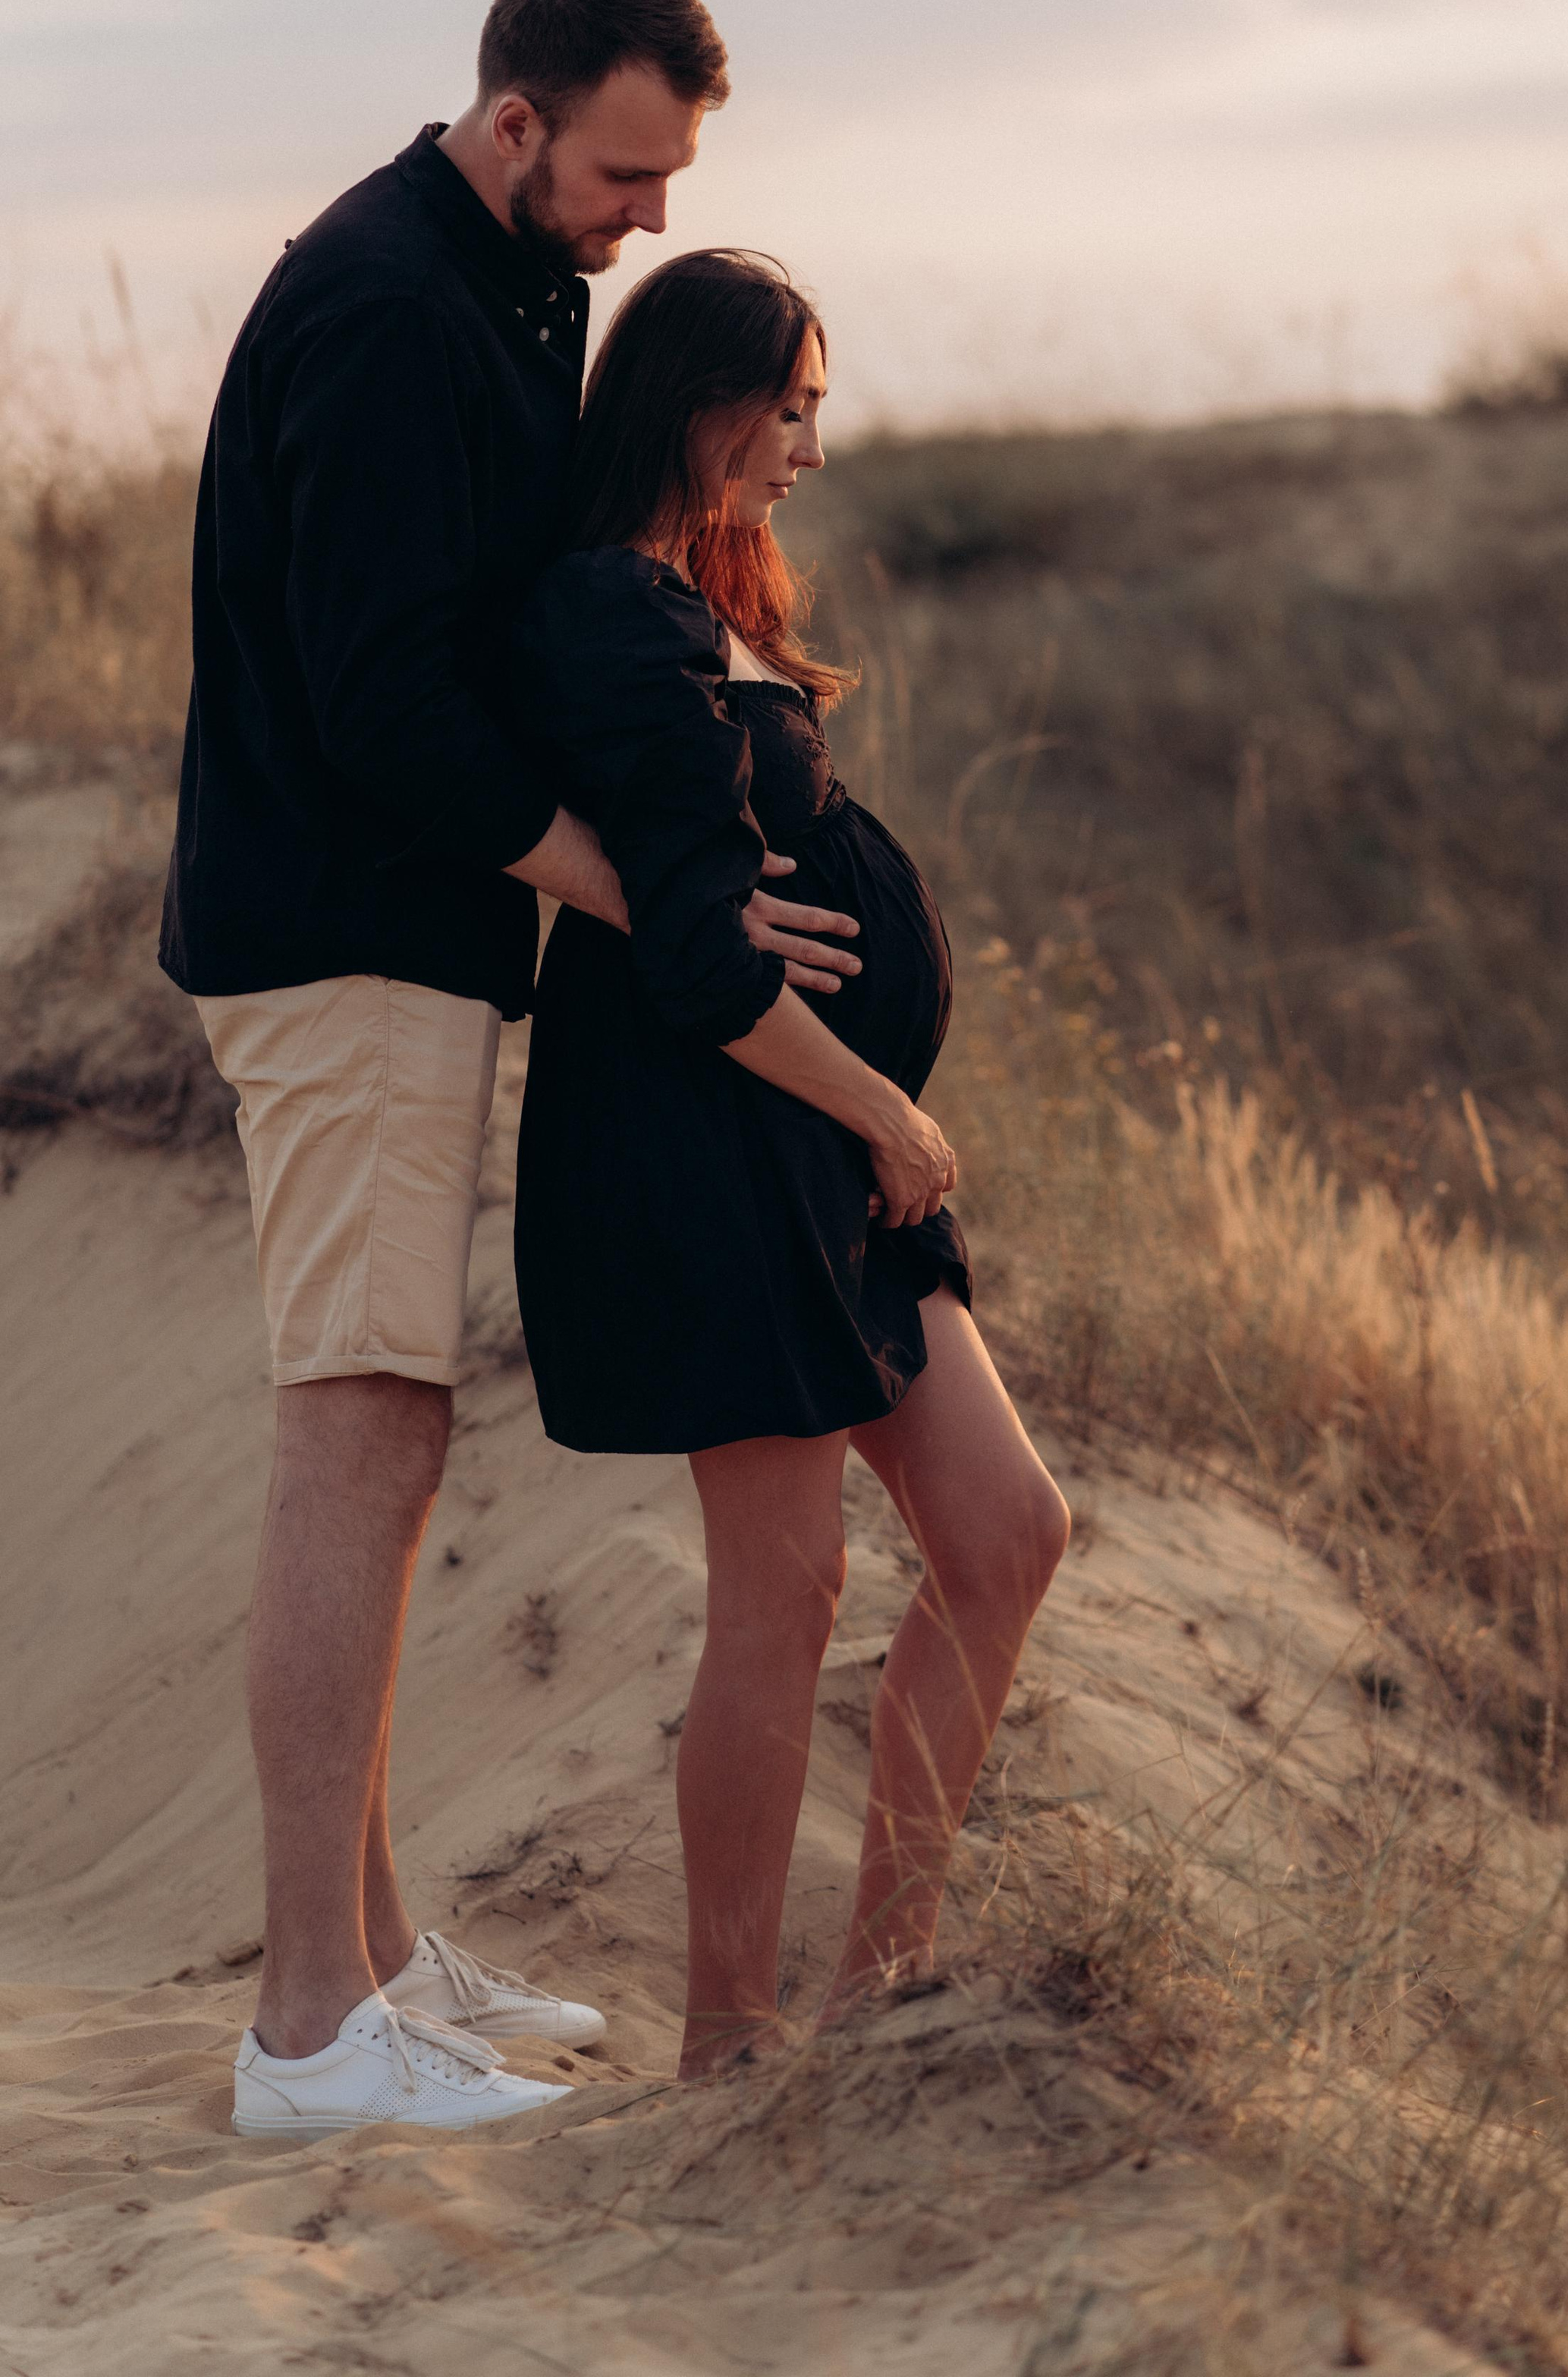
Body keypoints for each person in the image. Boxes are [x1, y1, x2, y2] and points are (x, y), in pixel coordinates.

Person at [159, 0, 864, 2139]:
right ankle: (309, 2034)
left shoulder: (504, 282)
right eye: (627, 171)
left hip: (403, 942)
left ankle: (369, 1963)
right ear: (516, 116)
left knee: (385, 1443)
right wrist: (645, 884)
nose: (648, 217)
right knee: (353, 1440)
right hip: (341, 934)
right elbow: (383, 708)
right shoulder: (388, 305)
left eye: (669, 182)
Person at [509, 248, 1070, 2079]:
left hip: (816, 1153)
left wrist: (867, 1121)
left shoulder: (708, 592)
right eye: (792, 407)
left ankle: (880, 1985)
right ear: (700, 401)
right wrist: (885, 1113)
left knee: (1003, 1534)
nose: (811, 448)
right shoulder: (609, 609)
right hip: (719, 1143)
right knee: (786, 1586)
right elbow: (694, 958)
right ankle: (730, 2047)